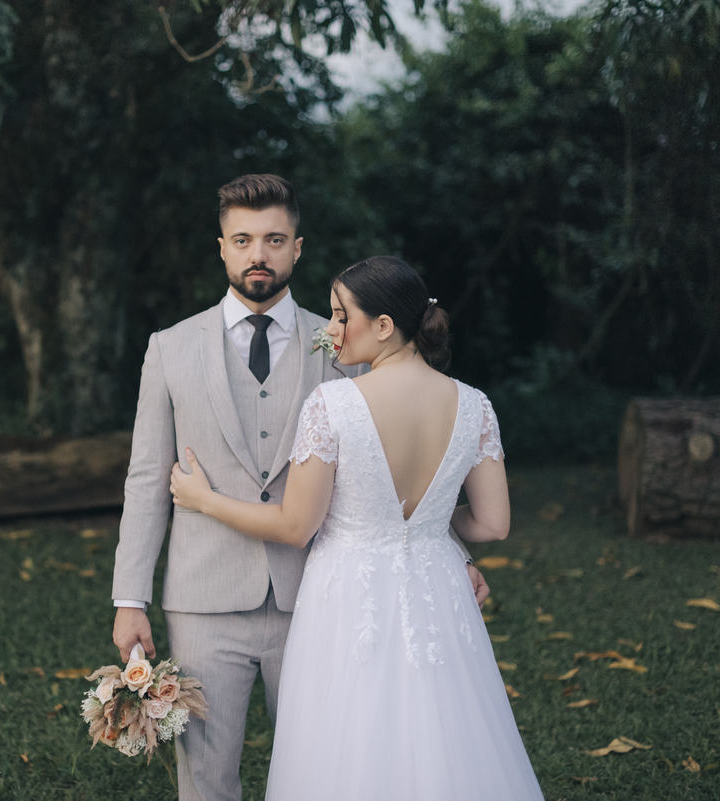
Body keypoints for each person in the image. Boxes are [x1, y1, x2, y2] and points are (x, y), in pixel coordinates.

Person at [111, 176, 490, 801]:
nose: (258, 252)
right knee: (205, 777)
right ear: (222, 248)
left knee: (330, 774)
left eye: (274, 239)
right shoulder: (170, 348)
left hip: (320, 598)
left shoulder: (352, 341)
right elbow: (147, 478)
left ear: (297, 247)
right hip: (203, 599)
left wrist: (455, 554)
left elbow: (392, 468)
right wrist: (131, 598)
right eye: (243, 239)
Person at [169, 255, 544, 800]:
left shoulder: (335, 404)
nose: (332, 331)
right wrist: (434, 520)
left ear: (385, 326)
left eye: (342, 317)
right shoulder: (475, 406)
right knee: (441, 735)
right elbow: (492, 522)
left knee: (346, 741)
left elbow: (296, 525)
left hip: (349, 598)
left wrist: (205, 500)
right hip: (438, 590)